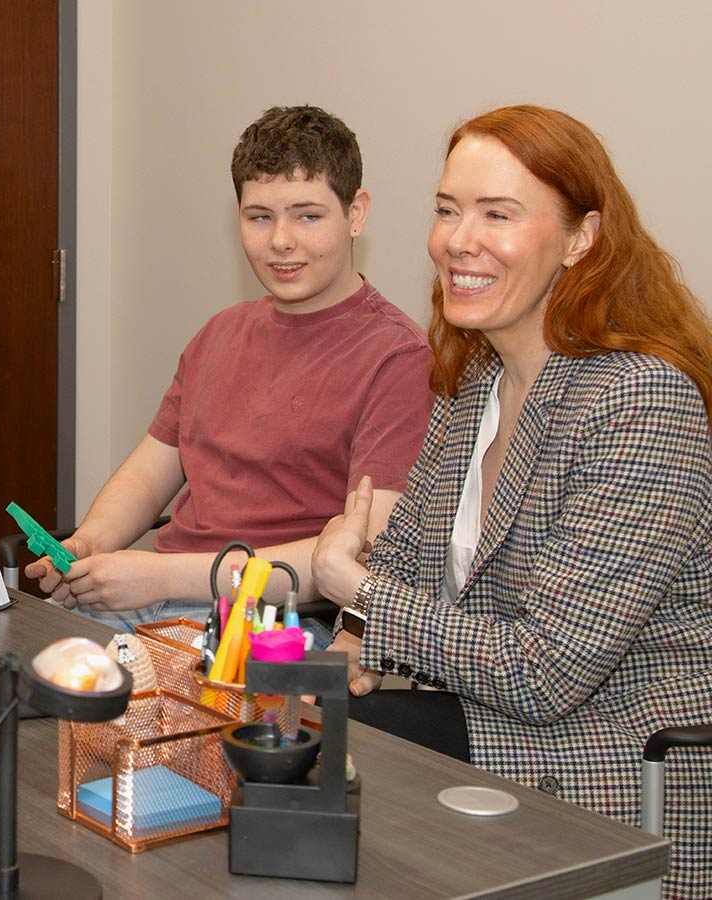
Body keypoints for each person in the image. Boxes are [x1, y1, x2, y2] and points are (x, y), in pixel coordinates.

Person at [311, 105, 712, 899]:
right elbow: (402, 567)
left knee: (316, 752)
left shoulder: (640, 402)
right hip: (493, 716)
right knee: (276, 720)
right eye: (448, 209)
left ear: (579, 238)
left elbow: (545, 673)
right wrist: (353, 640)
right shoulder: (476, 390)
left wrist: (355, 590)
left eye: (499, 214)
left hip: (616, 755)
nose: (459, 240)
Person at [27, 106, 433, 635]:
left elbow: (362, 556)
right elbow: (150, 475)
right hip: (153, 601)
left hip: (271, 623)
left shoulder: (398, 358)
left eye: (307, 216)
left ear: (356, 213)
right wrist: (90, 543)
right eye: (259, 216)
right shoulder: (219, 333)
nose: (280, 241)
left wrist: (160, 576)